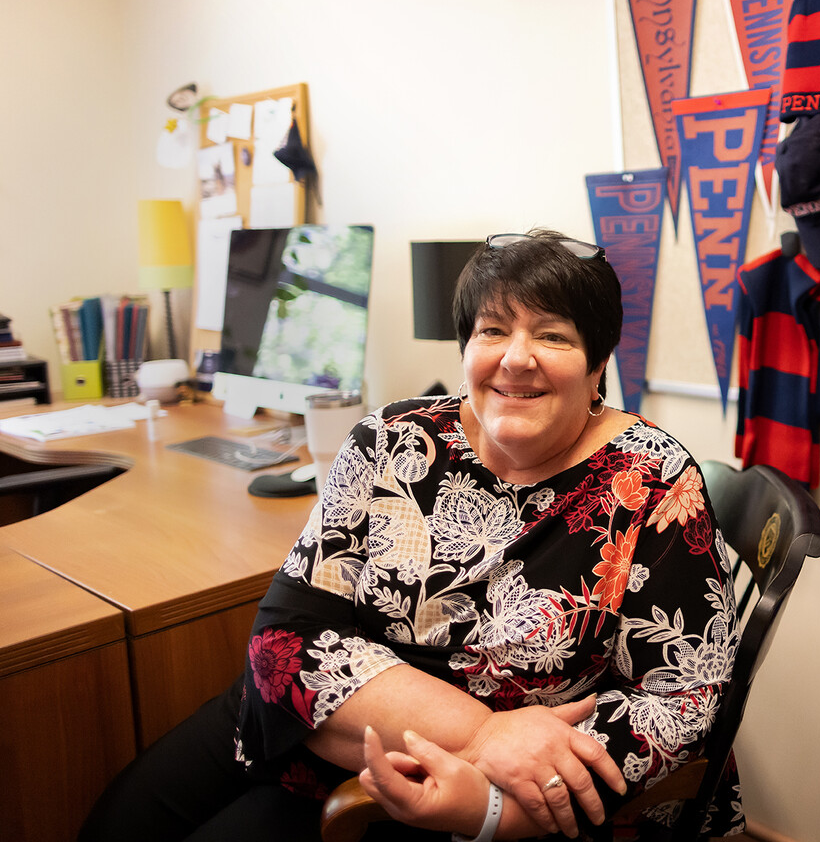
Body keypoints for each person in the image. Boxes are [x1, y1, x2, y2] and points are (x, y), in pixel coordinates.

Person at [81, 230, 743, 841]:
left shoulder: (652, 483)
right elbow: (282, 644)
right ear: (465, 351)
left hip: (438, 794)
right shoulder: (391, 439)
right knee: (114, 823)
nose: (516, 359)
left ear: (597, 365)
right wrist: (483, 734)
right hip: (301, 726)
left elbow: (682, 699)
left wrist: (495, 807)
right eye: (492, 330)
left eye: (553, 336)